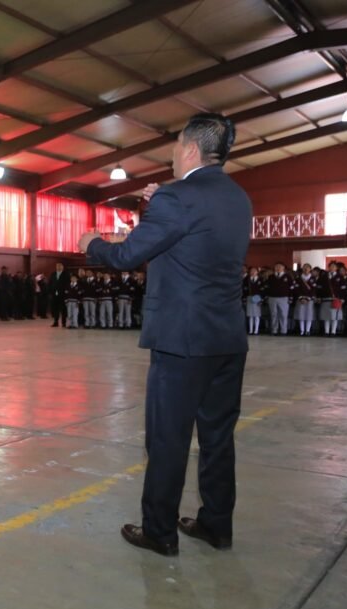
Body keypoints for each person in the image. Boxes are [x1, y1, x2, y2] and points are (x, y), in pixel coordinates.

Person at [78, 113, 250, 557]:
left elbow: (127, 256)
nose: (172, 153)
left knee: (168, 438)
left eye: (175, 144)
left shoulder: (178, 197)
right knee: (217, 437)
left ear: (190, 149)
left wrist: (91, 243)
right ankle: (216, 525)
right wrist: (160, 204)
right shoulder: (237, 197)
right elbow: (193, 237)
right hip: (227, 337)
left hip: (182, 341)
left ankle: (159, 531)